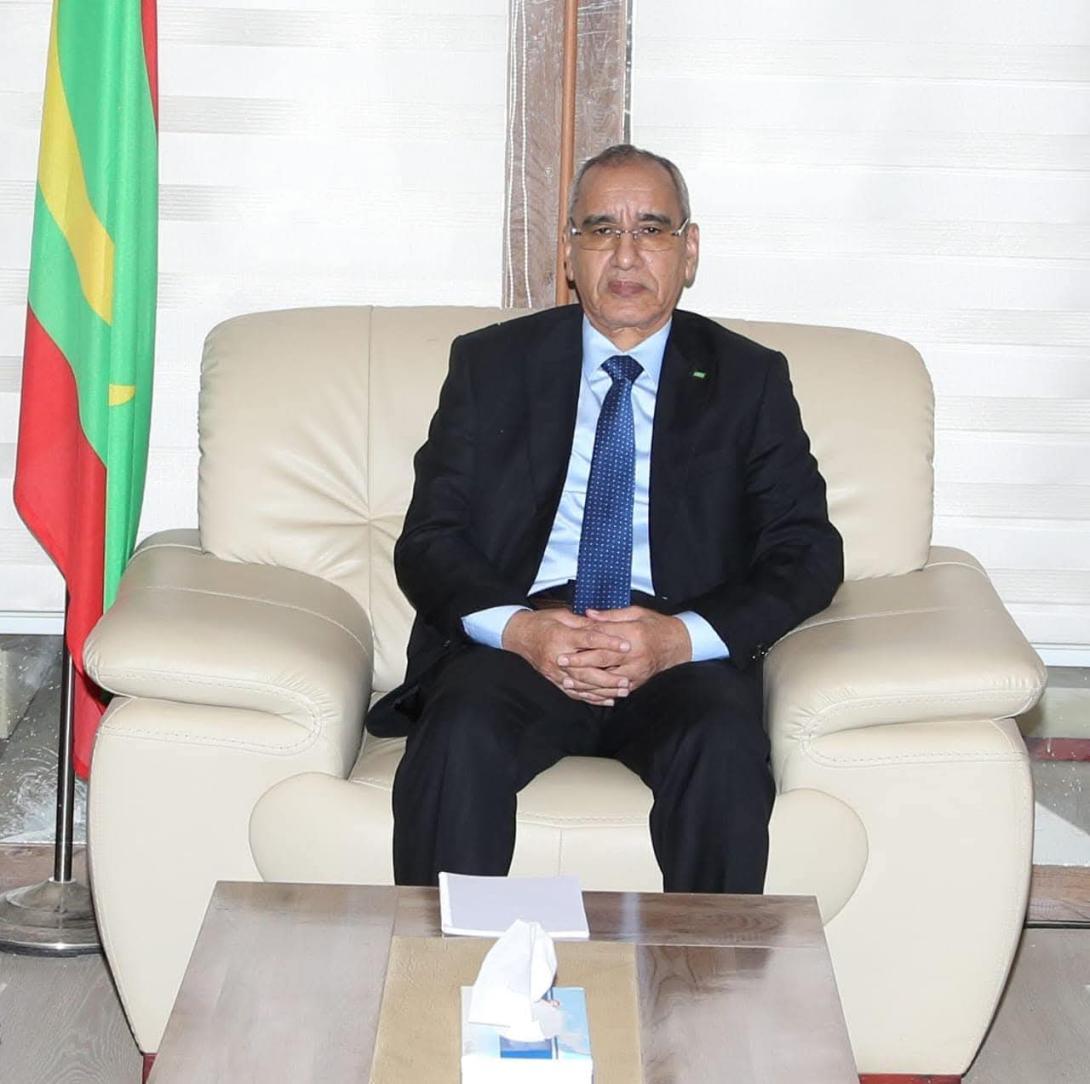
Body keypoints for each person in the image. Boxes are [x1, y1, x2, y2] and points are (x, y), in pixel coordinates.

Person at [367, 144, 843, 893]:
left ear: (689, 251)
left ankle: (702, 971)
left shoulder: (748, 378)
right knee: (457, 732)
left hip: (671, 649)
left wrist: (678, 639)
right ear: (569, 252)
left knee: (722, 743)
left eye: (651, 230)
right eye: (601, 230)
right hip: (524, 642)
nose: (626, 254)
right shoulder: (491, 365)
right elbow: (429, 539)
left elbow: (807, 551)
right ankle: (448, 962)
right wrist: (523, 632)